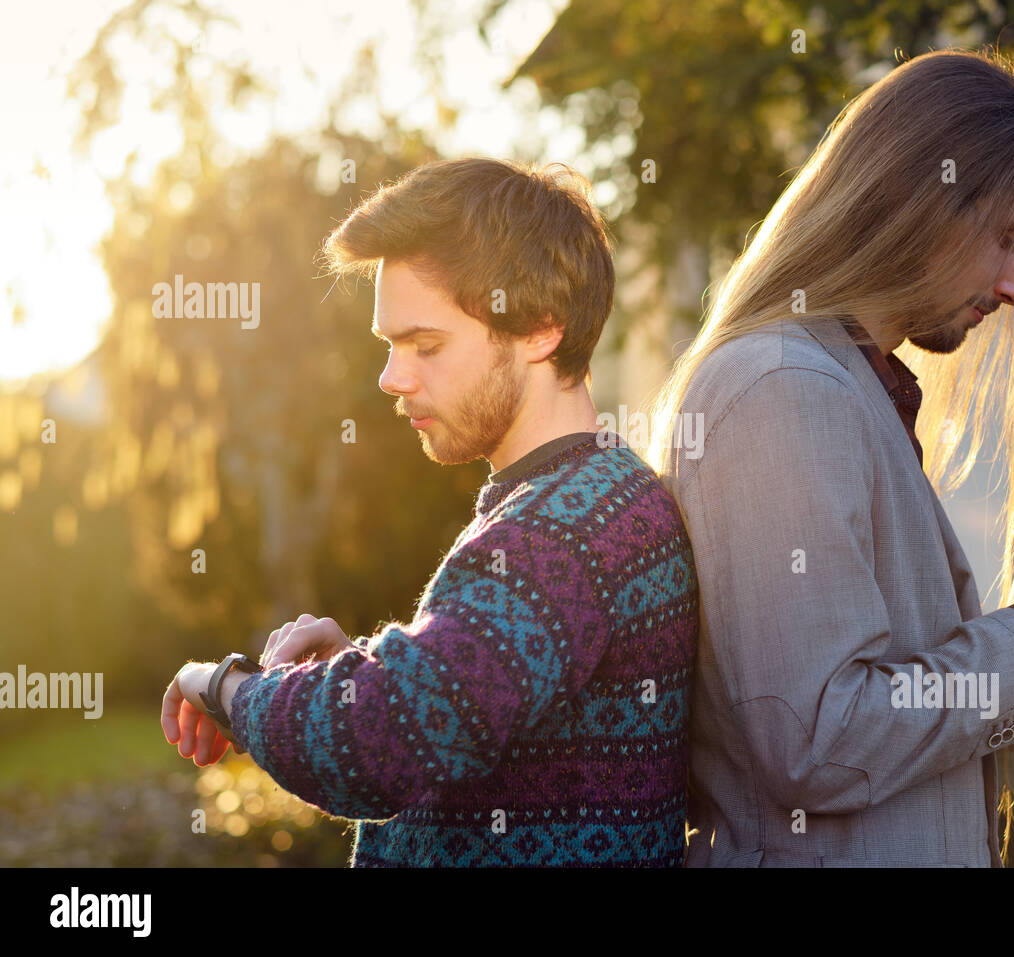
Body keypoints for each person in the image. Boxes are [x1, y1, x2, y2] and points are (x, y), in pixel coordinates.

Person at [645, 48, 1014, 867]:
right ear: (920, 201)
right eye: (1010, 239)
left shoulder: (853, 385)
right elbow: (821, 737)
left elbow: (905, 711)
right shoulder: (785, 390)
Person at [161, 157, 699, 867]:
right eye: (391, 345)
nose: (391, 376)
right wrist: (361, 669)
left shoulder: (563, 529)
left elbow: (382, 739)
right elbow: (460, 710)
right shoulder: (588, 497)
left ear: (542, 327)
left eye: (426, 344)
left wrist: (222, 683)